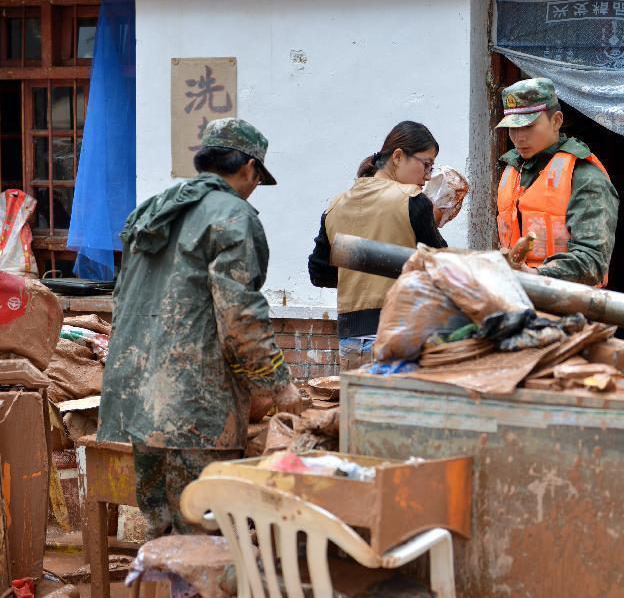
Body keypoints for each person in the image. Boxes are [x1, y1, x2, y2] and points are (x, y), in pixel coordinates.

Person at [98, 117, 301, 537]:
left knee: (163, 534)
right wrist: (277, 382)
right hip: (197, 407)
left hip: (140, 399)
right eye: (258, 178)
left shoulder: (155, 208)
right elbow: (240, 313)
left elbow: (127, 297)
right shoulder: (232, 215)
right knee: (205, 536)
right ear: (249, 168)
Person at [308, 121, 447, 369]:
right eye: (426, 165)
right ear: (398, 156)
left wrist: (357, 276)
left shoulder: (335, 204)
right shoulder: (413, 201)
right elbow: (442, 269)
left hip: (349, 339)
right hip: (398, 337)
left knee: (357, 407)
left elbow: (319, 273)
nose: (427, 177)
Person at [496, 77, 619, 286]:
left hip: (570, 304)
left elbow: (593, 262)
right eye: (512, 128)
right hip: (518, 295)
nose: (518, 137)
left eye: (528, 126)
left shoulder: (585, 176)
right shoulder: (513, 169)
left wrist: (535, 277)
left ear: (556, 121)